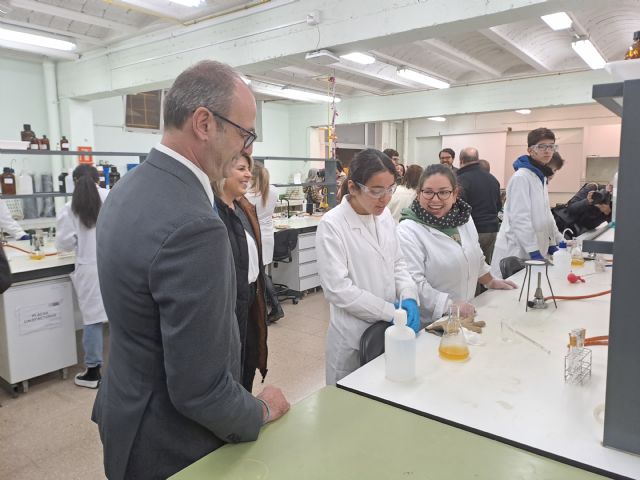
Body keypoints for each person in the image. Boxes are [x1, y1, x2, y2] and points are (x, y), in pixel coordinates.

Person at [92, 60, 289, 480]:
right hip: (171, 445)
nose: (247, 150)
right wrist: (261, 409)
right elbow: (200, 389)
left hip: (125, 412)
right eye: (244, 133)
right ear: (203, 123)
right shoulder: (197, 226)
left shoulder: (127, 188)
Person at [316, 148, 419, 385]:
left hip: (390, 332)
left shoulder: (383, 217)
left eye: (390, 189)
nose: (385, 198)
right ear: (353, 187)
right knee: (348, 409)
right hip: (351, 338)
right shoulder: (332, 225)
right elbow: (338, 289)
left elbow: (398, 263)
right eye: (376, 190)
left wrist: (409, 296)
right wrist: (390, 312)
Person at [397, 164, 516, 325]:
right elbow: (414, 283)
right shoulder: (408, 230)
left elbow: (475, 256)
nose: (435, 199)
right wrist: (450, 305)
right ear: (418, 194)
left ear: (455, 194)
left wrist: (491, 281)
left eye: (444, 192)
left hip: (466, 313)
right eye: (428, 192)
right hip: (432, 323)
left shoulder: (463, 219)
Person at [213, 153, 268, 392]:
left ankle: (244, 402)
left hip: (250, 294)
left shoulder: (242, 209)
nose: (248, 175)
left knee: (248, 356)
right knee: (232, 359)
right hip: (229, 300)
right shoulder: (214, 214)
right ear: (222, 171)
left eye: (249, 169)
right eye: (241, 169)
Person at [55, 165, 109, 389]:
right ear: (99, 179)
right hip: (117, 264)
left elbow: (64, 243)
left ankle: (93, 372)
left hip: (90, 268)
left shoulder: (70, 207)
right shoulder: (112, 195)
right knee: (119, 315)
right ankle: (125, 366)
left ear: (74, 181)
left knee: (93, 321)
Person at [490, 127, 564, 278]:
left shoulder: (540, 177)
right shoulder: (521, 177)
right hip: (517, 250)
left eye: (551, 146)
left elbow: (546, 215)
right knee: (512, 295)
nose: (547, 150)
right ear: (530, 150)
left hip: (533, 248)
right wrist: (533, 251)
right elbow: (520, 218)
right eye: (542, 146)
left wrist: (554, 242)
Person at [246, 162, 284, 322]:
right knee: (262, 272)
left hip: (255, 235)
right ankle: (271, 308)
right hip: (268, 235)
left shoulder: (248, 195)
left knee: (260, 274)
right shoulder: (273, 191)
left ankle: (274, 308)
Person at [456, 147, 502, 265]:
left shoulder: (461, 180)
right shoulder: (493, 179)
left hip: (473, 230)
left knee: (470, 268)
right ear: (477, 160)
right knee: (485, 267)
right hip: (492, 229)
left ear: (461, 161)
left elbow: (459, 210)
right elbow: (498, 206)